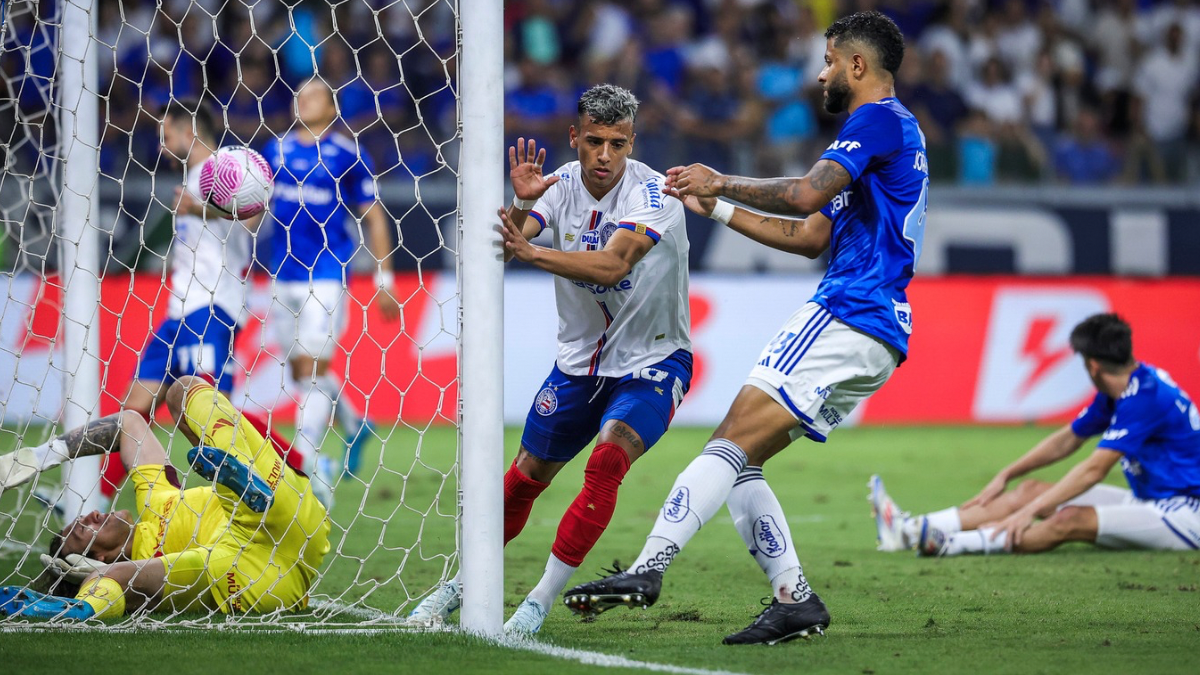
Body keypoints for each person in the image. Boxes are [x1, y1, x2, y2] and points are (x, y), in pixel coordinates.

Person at [564, 11, 927, 645]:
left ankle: (648, 570)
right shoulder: (893, 136)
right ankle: (795, 600)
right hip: (877, 330)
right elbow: (813, 235)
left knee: (727, 441)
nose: (821, 74)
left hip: (849, 311)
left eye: (829, 60)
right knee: (744, 460)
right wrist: (718, 207)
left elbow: (804, 198)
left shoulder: (874, 120)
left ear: (857, 66)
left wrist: (720, 177)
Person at [406, 84, 692, 635]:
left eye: (617, 143)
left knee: (608, 461)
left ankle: (537, 602)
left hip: (654, 359)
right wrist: (523, 205)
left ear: (632, 142)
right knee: (524, 479)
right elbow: (510, 241)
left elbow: (612, 266)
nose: (605, 155)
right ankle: (461, 586)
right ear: (574, 138)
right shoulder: (557, 186)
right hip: (578, 365)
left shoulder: (656, 197)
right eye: (594, 142)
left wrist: (534, 251)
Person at [870, 314, 1200, 557]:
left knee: (1068, 518)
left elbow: (1094, 469)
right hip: (1151, 499)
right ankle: (908, 530)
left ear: (1093, 366)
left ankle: (950, 544)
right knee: (1029, 490)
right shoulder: (1127, 387)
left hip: (1186, 513)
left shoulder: (1145, 398)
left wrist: (1032, 511)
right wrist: (1008, 474)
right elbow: (1068, 439)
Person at [0, 376, 330, 619]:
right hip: (251, 575)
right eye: (82, 530)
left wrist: (45, 454)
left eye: (81, 518)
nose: (89, 516)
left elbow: (129, 423)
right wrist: (91, 584)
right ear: (96, 557)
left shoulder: (154, 500)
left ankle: (241, 475)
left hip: (280, 510)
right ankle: (75, 609)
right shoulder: (143, 569)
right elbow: (117, 577)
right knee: (124, 576)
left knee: (181, 391)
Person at [106, 98, 256, 507]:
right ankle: (93, 500)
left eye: (166, 134)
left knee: (209, 416)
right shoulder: (191, 177)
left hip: (212, 306)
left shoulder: (225, 166)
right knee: (133, 411)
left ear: (189, 131)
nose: (161, 144)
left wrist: (200, 208)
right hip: (177, 312)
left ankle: (280, 478)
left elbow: (253, 215)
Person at [263, 78, 401, 503]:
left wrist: (384, 279)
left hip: (325, 274)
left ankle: (306, 464)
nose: (303, 100)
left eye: (314, 95)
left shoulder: (348, 154)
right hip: (279, 272)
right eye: (299, 94)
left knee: (314, 368)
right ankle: (355, 421)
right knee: (301, 372)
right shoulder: (275, 150)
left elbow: (373, 216)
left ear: (332, 106)